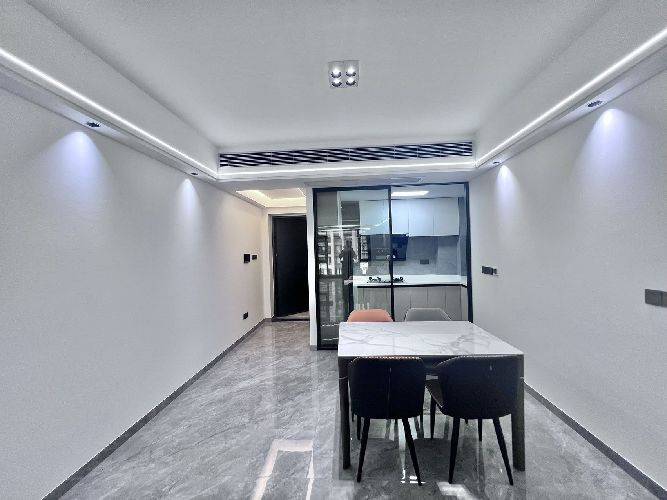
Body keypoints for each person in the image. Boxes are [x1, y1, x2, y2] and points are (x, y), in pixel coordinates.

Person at [339, 239, 357, 319]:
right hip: (348, 268)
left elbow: (340, 257)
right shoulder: (349, 250)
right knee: (349, 279)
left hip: (346, 268)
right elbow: (355, 257)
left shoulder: (345, 250)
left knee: (347, 280)